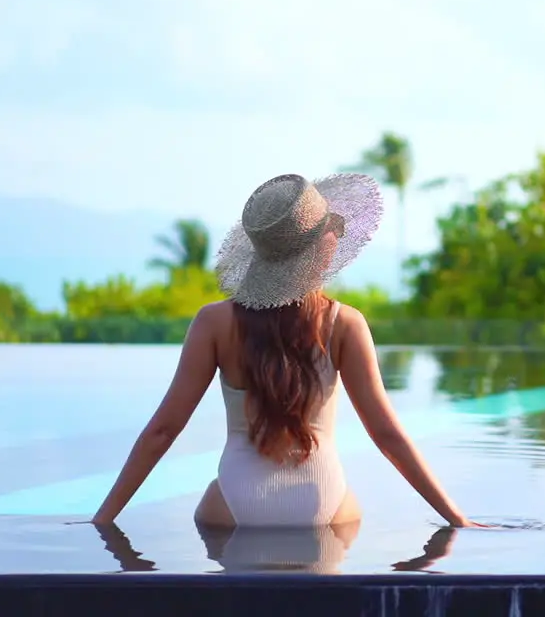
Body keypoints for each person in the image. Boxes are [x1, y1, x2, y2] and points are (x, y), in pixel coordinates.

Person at [90, 173, 481, 529]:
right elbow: (387, 436)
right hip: (323, 503)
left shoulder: (213, 323)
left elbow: (163, 430)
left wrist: (103, 521)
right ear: (321, 249)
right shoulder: (345, 324)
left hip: (235, 504)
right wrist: (456, 519)